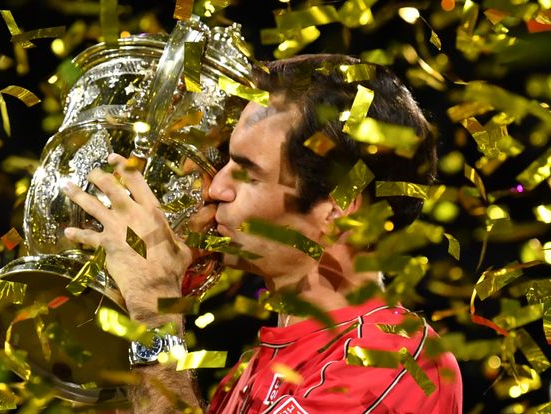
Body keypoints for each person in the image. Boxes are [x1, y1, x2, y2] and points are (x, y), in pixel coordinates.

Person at [62, 54, 463, 413]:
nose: (216, 189)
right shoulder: (249, 372)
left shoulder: (395, 362)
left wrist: (154, 313)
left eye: (247, 172)